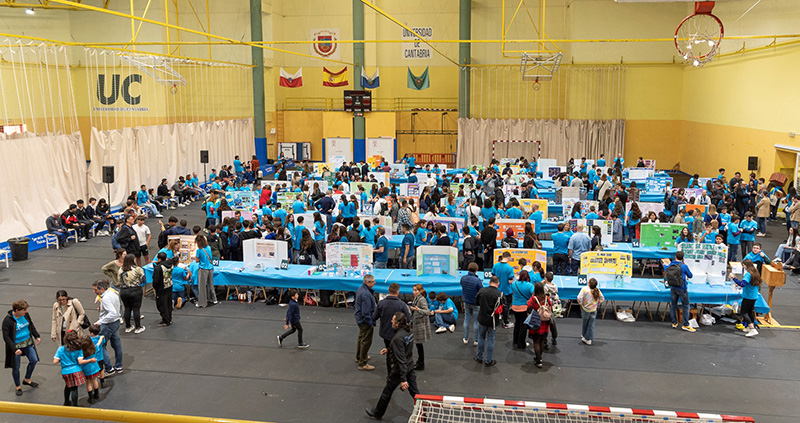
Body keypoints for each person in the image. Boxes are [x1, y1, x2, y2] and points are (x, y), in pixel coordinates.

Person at [365, 312, 419, 421]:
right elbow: (403, 348)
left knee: (387, 391)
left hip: (399, 370)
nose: (391, 322)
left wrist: (403, 379)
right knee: (415, 392)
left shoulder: (397, 338)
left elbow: (401, 359)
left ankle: (378, 413)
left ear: (397, 324)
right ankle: (424, 410)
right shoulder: (409, 332)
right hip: (409, 366)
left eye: (393, 320)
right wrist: (390, 349)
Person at [3, 300, 41, 396]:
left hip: (27, 343)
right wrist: (14, 349)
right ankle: (18, 386)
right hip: (16, 346)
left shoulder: (25, 315)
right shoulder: (7, 321)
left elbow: (31, 325)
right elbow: (6, 337)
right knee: (16, 367)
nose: (26, 312)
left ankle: (27, 379)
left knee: (34, 360)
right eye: (24, 310)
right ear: (17, 310)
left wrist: (36, 336)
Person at [373, 283, 411, 376]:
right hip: (398, 334)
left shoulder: (381, 303)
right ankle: (401, 373)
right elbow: (408, 319)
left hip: (385, 333)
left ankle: (390, 373)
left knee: (389, 353)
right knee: (400, 353)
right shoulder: (401, 304)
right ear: (398, 292)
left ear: (388, 291)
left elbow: (374, 317)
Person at [54, 331, 95, 406]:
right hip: (76, 371)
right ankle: (75, 406)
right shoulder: (79, 349)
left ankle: (66, 401)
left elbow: (55, 361)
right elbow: (80, 361)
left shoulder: (61, 349)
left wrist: (63, 359)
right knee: (74, 389)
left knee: (68, 385)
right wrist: (90, 360)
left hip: (65, 371)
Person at [92, 280, 123, 374]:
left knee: (101, 345)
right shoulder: (113, 293)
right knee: (117, 345)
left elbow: (112, 313)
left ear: (102, 289)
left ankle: (109, 368)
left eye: (95, 290)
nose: (94, 292)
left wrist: (99, 322)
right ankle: (119, 366)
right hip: (116, 322)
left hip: (108, 324)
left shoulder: (105, 298)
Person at [662, 252, 695, 332]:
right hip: (682, 288)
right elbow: (690, 275)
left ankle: (674, 322)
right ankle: (685, 324)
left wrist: (664, 264)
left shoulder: (671, 265)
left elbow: (666, 268)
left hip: (673, 287)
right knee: (686, 306)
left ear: (675, 257)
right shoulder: (684, 266)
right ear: (683, 257)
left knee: (673, 305)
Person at [474, 276, 502, 367]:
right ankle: (488, 360)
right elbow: (503, 308)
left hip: (482, 318)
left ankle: (479, 357)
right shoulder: (500, 294)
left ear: (489, 282)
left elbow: (477, 302)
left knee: (481, 337)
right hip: (493, 320)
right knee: (491, 339)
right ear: (498, 283)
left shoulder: (482, 291)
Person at [730, 260, 762, 337]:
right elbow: (750, 283)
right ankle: (749, 327)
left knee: (743, 312)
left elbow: (742, 283)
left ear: (745, 265)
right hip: (754, 296)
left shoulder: (748, 274)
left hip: (748, 296)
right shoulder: (755, 273)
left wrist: (734, 278)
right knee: (750, 312)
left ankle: (752, 329)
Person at [355, 275, 377, 371]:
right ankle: (363, 362)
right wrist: (370, 322)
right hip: (365, 321)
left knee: (361, 338)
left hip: (360, 319)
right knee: (366, 341)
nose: (374, 283)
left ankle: (359, 356)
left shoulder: (361, 289)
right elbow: (366, 312)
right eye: (373, 281)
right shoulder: (366, 294)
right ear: (367, 282)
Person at [527, 283, 553, 368]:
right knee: (542, 340)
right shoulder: (547, 298)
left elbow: (529, 309)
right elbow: (551, 308)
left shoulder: (533, 299)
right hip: (545, 323)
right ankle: (540, 358)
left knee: (536, 341)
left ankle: (538, 361)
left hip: (536, 322)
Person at [460, 262, 483, 346]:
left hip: (466, 301)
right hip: (476, 303)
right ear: (476, 270)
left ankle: (465, 338)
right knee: (476, 321)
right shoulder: (477, 280)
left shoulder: (463, 278)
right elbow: (481, 291)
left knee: (466, 319)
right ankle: (476, 340)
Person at [408, 284, 430, 370]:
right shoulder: (417, 298)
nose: (414, 292)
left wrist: (418, 310)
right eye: (413, 290)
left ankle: (421, 363)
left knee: (419, 345)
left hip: (420, 325)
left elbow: (427, 312)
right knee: (418, 345)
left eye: (416, 290)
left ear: (420, 291)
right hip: (417, 323)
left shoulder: (422, 300)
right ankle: (420, 362)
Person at [510, 270, 534, 350]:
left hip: (514, 307)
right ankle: (521, 344)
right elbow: (534, 295)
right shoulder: (530, 286)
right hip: (524, 307)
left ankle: (515, 340)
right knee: (523, 326)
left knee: (517, 323)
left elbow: (513, 293)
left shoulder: (514, 284)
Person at [491, 251, 515, 328]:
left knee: (496, 305)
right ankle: (505, 322)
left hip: (497, 289)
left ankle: (498, 318)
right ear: (508, 257)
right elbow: (510, 281)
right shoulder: (509, 268)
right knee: (506, 307)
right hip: (506, 291)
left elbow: (493, 276)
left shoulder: (495, 266)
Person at [577, 278, 605, 345]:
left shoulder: (584, 289)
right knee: (591, 324)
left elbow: (579, 298)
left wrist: (581, 303)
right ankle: (585, 336)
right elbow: (602, 298)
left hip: (586, 309)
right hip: (593, 309)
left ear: (588, 284)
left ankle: (587, 338)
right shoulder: (597, 290)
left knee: (585, 323)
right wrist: (597, 303)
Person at [82, 325, 105, 402]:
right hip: (94, 367)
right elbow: (99, 344)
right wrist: (101, 338)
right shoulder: (94, 349)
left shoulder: (81, 351)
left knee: (88, 383)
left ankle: (90, 397)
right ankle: (96, 394)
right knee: (95, 380)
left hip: (86, 368)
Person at [194, 234, 218, 308]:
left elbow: (197, 260)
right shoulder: (208, 247)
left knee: (202, 287)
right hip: (210, 268)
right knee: (211, 284)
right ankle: (214, 299)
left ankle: (202, 303)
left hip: (203, 269)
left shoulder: (199, 250)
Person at [151, 252, 174, 327]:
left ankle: (166, 320)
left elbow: (156, 280)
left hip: (161, 288)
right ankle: (169, 318)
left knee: (161, 305)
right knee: (168, 303)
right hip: (169, 285)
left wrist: (155, 287)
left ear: (159, 259)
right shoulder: (170, 264)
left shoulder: (158, 268)